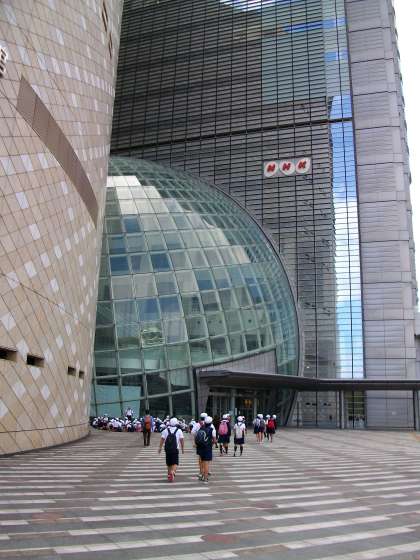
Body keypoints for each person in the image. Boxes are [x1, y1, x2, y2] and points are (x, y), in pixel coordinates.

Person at [158, 417, 184, 482]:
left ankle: (169, 474)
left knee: (169, 463)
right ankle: (172, 472)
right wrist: (182, 448)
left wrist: (160, 448)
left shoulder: (166, 430)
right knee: (175, 462)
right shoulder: (179, 430)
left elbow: (162, 439)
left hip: (167, 449)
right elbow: (181, 440)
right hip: (175, 449)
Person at [195, 416, 216, 482]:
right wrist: (212, 444)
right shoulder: (212, 430)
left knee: (202, 461)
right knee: (206, 463)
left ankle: (202, 474)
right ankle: (205, 477)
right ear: (211, 422)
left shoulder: (201, 428)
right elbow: (214, 440)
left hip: (200, 447)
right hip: (207, 448)